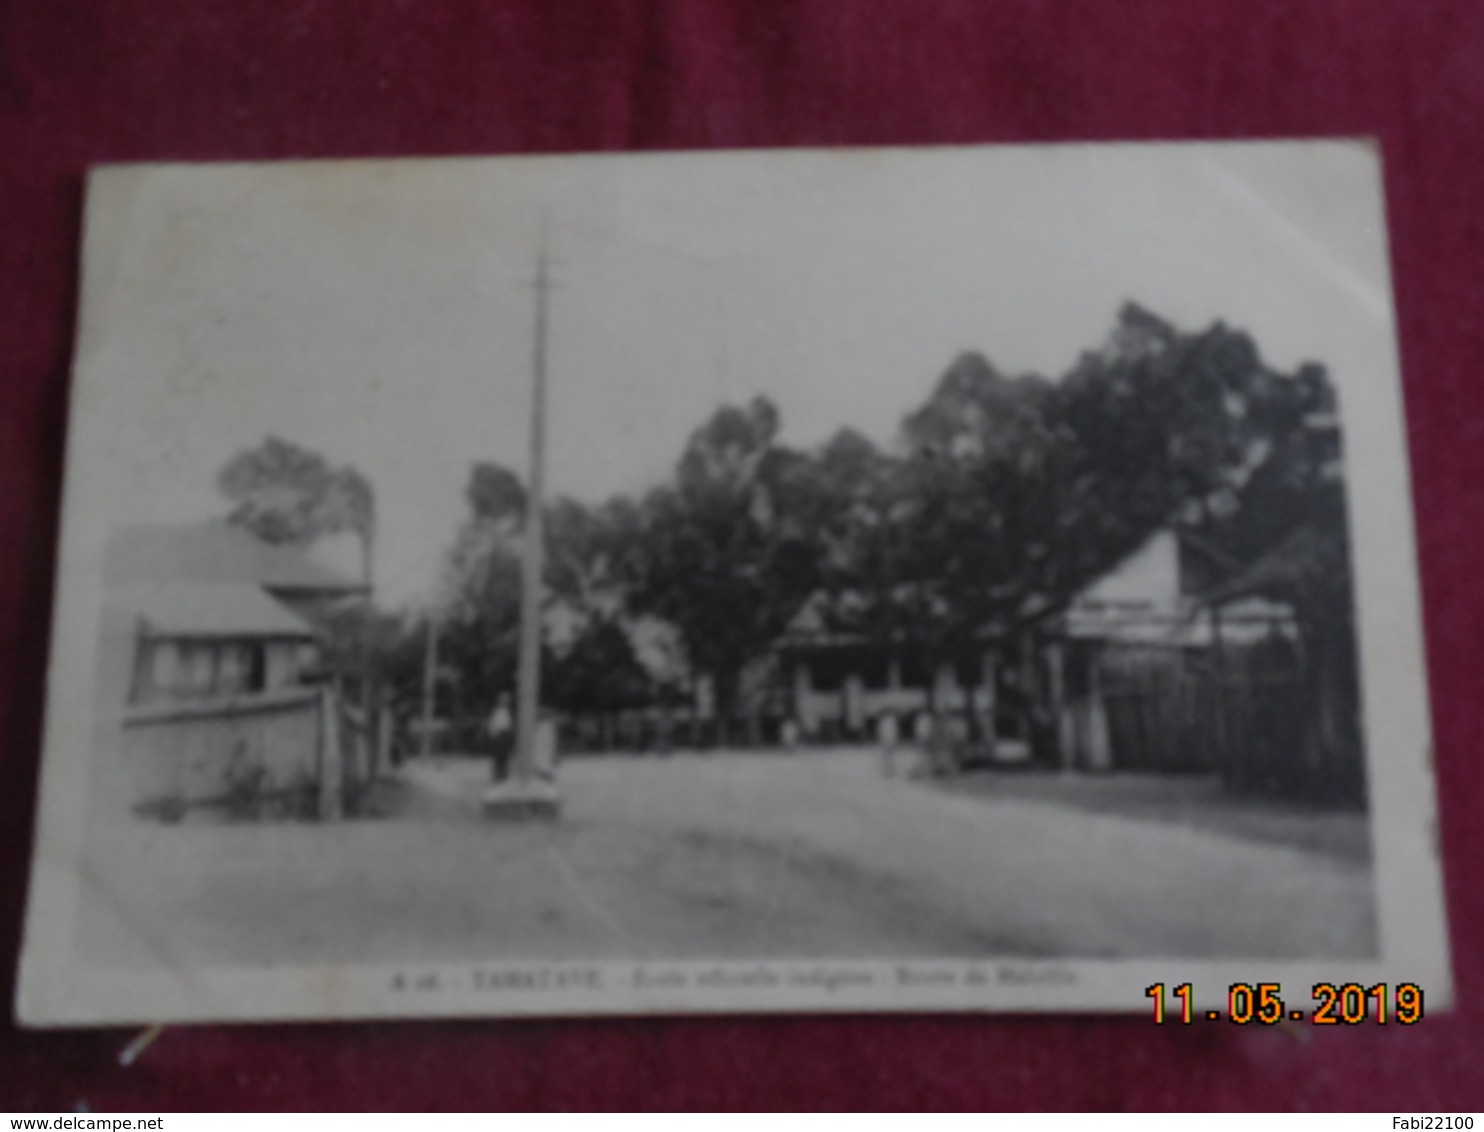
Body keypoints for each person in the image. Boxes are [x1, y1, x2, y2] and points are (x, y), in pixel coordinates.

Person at [487, 693, 514, 781]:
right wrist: (493, 734)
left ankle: (503, 772)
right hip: (499, 735)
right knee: (499, 756)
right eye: (504, 700)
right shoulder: (497, 711)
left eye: (507, 700)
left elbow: (508, 724)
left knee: (504, 755)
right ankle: (498, 773)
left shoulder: (507, 711)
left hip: (505, 735)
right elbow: (493, 724)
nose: (506, 702)